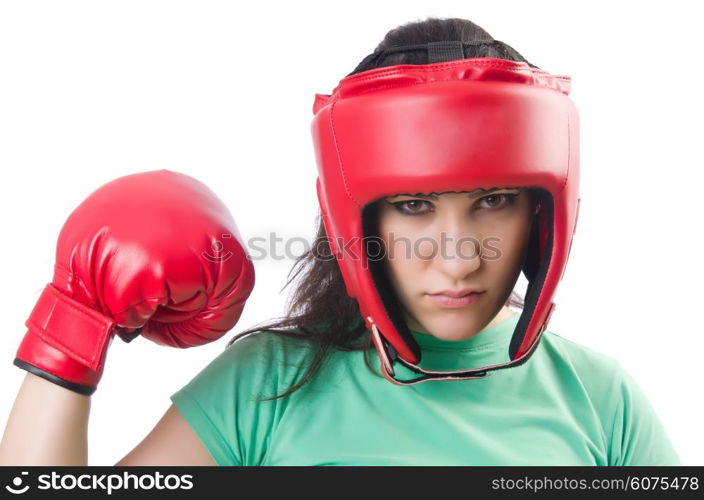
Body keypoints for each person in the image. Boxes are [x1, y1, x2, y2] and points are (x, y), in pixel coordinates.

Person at [0, 17, 680, 467]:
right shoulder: (268, 386)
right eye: (414, 207)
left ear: (542, 211)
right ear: (357, 224)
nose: (459, 256)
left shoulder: (601, 399)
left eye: (493, 202)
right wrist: (75, 319)